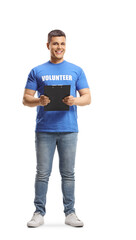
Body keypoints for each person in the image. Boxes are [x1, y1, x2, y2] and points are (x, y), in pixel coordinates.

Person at [23, 29, 91, 228]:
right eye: (55, 44)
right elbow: (25, 99)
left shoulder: (76, 70)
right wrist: (39, 101)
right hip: (44, 129)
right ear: (48, 45)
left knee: (68, 173)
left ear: (65, 45)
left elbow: (87, 97)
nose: (59, 47)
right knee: (42, 173)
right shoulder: (37, 71)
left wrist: (75, 100)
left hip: (69, 129)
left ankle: (70, 213)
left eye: (62, 44)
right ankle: (38, 212)